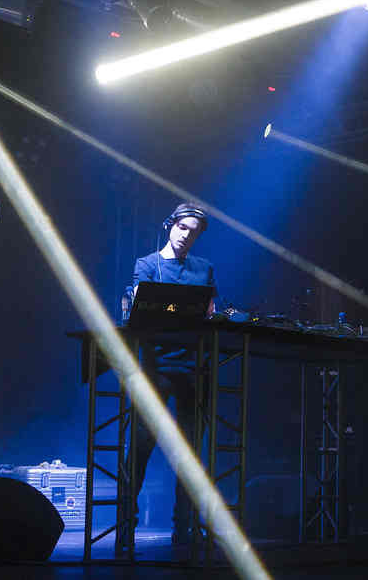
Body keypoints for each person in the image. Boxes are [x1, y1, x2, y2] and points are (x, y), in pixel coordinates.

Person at [125, 203, 216, 546]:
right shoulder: (147, 265)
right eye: (183, 228)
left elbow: (210, 312)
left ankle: (185, 527)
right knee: (141, 445)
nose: (186, 236)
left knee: (190, 454)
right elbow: (141, 310)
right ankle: (126, 524)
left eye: (194, 232)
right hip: (157, 367)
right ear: (170, 226)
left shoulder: (204, 269)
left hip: (193, 368)